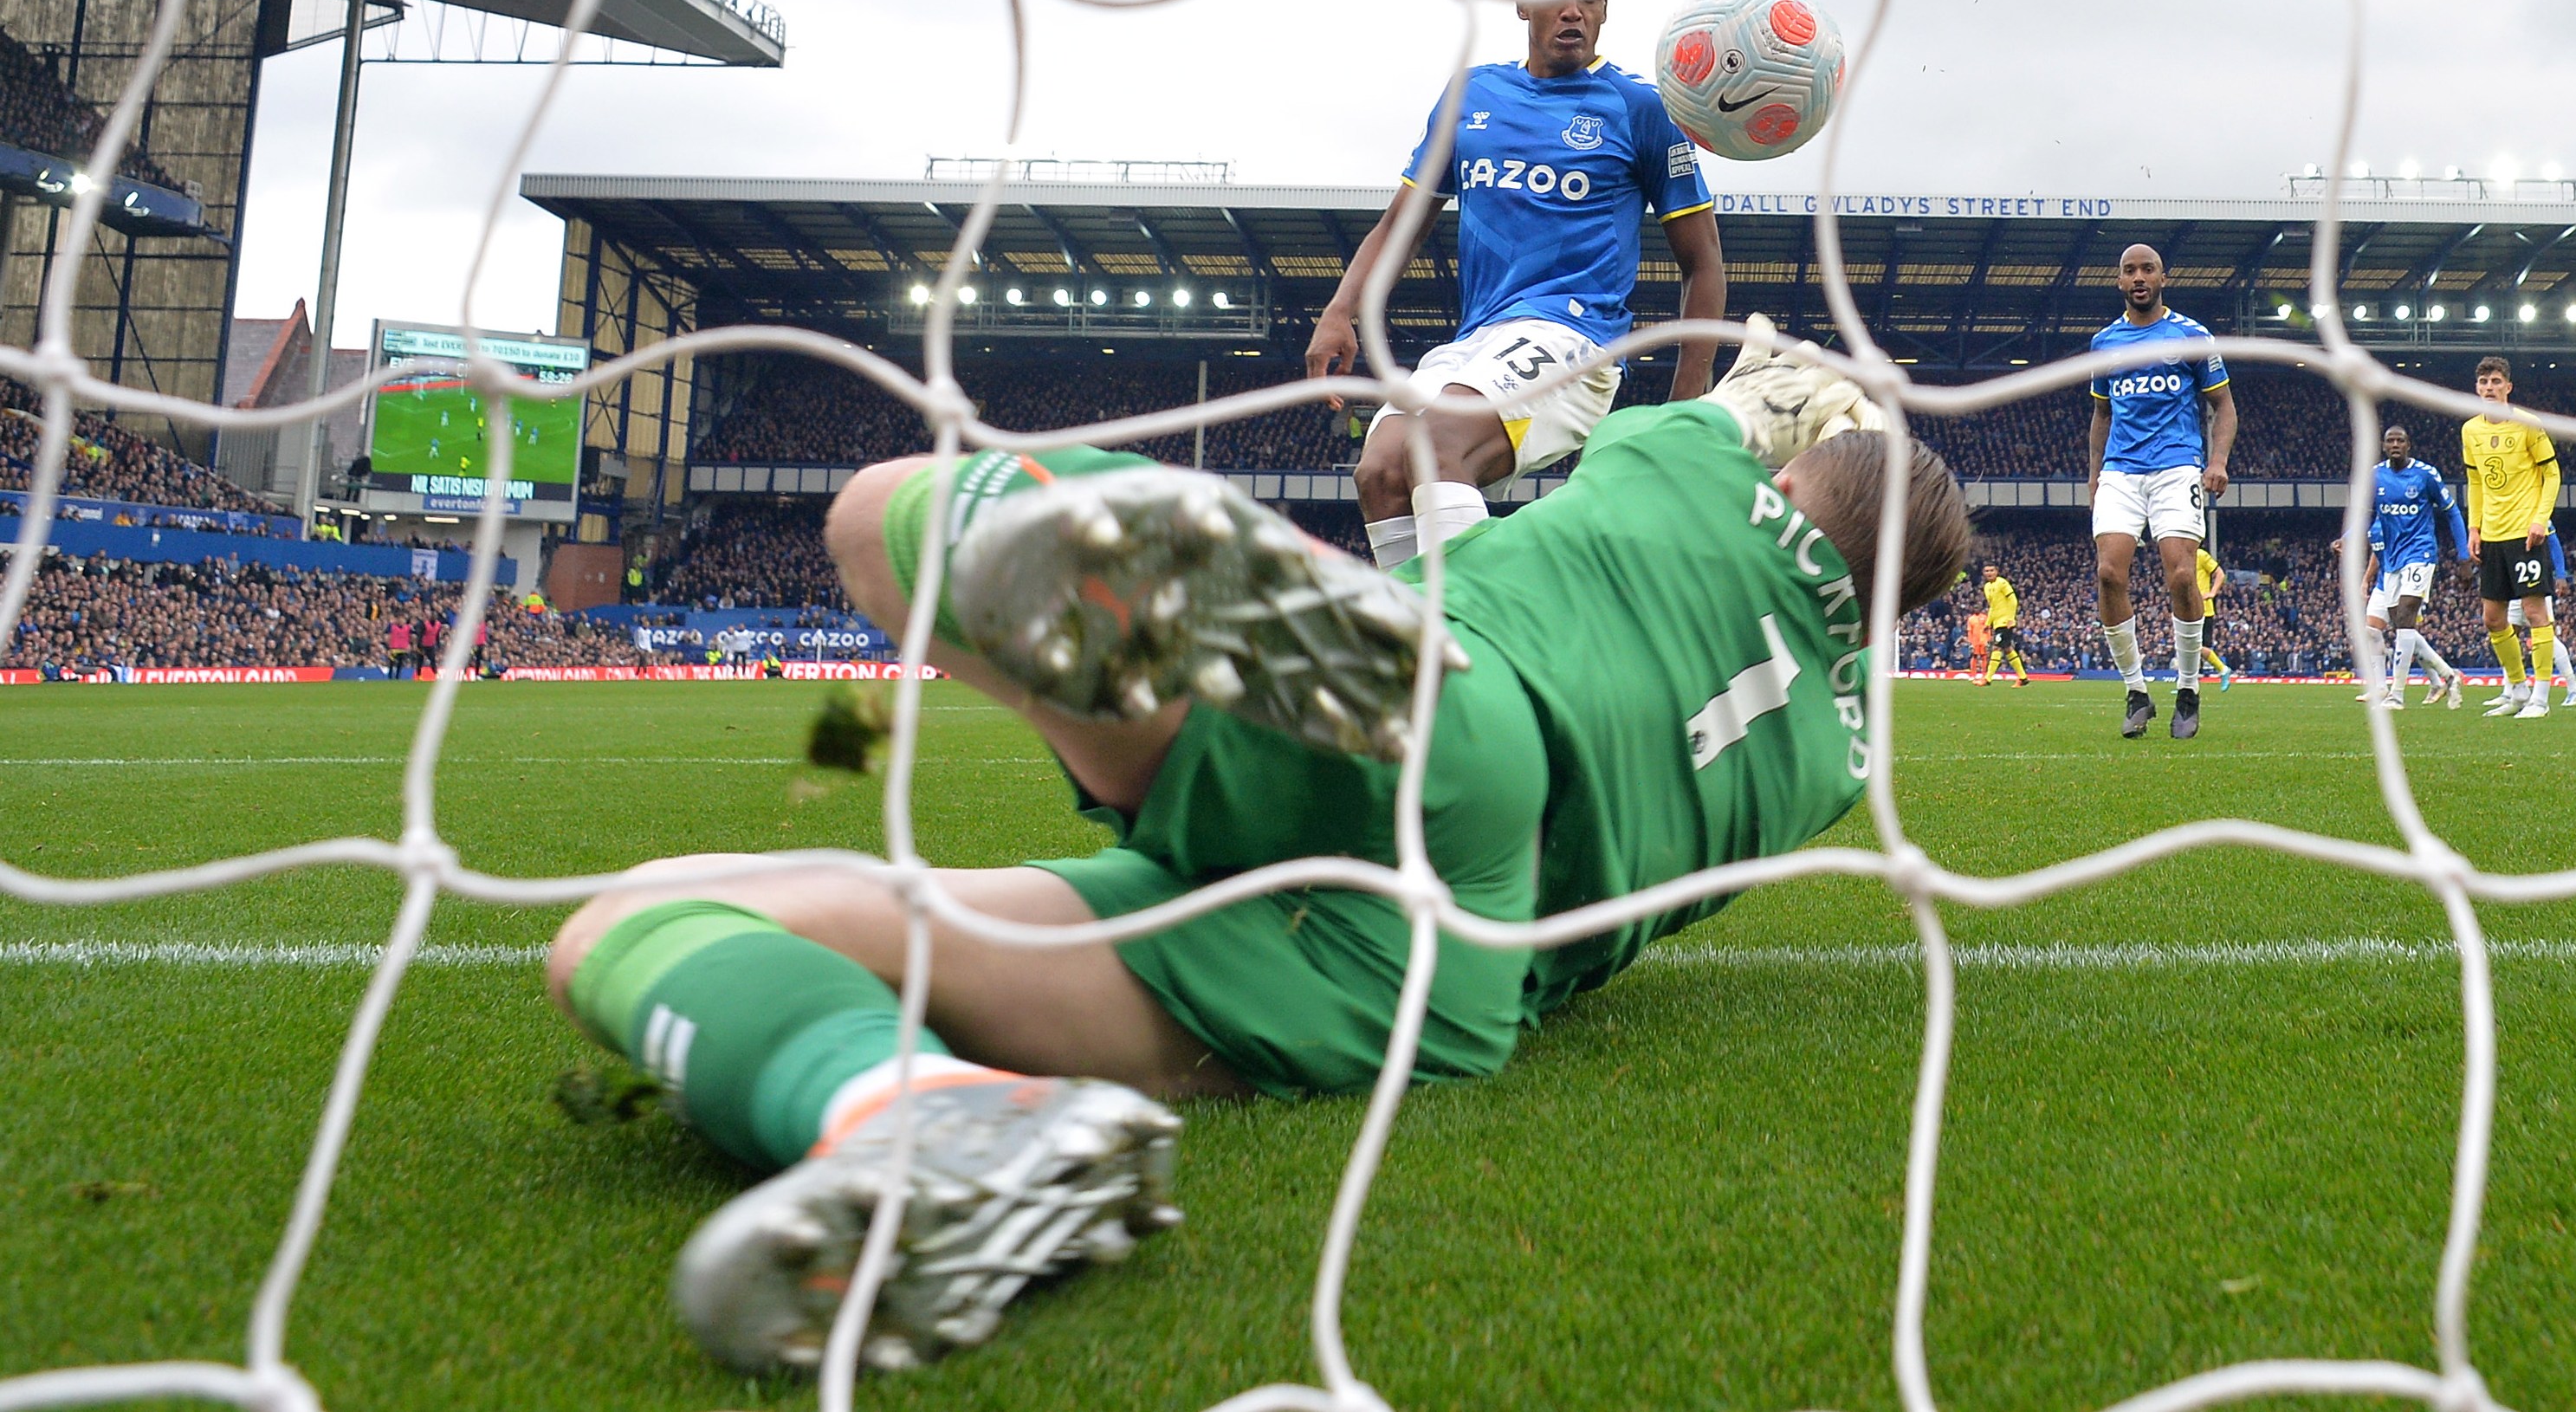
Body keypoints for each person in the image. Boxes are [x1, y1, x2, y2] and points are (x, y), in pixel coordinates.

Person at [540, 340, 1962, 1373]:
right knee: (657, 917)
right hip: (1438, 966)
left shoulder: (1689, 457)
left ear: (1792, 468)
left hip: (1455, 722)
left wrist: (1742, 393)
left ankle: (1192, 577)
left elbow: (1519, 425)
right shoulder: (1837, 762)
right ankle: (917, 1117)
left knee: (876, 517)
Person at [1304, 0, 1725, 573]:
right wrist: (1340, 309)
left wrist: (1684, 408)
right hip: (1478, 339)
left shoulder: (1642, 108)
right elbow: (1401, 225)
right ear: (1523, 2)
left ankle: (1485, 636)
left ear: (1605, 8)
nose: (1574, 9)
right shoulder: (1472, 95)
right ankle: (1423, 647)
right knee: (1382, 469)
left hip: (1575, 339)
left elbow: (1703, 262)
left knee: (1441, 443)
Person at [2086, 243, 2237, 740]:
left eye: (2147, 269)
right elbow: (2102, 415)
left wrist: (2217, 460)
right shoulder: (2105, 342)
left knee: (2179, 576)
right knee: (2109, 573)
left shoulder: (2192, 336)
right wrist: (2094, 477)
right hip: (2120, 472)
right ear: (2120, 281)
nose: (2138, 277)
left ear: (2162, 278)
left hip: (2176, 467)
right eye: (2129, 270)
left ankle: (2188, 691)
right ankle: (2135, 691)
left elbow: (2225, 408)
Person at [2338, 424, 2469, 710]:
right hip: (2392, 562)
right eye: (2390, 441)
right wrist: (2347, 538)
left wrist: (2463, 556)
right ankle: (2447, 676)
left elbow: (2452, 512)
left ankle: (2396, 694)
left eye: (2400, 440)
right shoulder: (2375, 476)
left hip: (2420, 553)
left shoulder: (2425, 475)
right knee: (2395, 625)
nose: (2395, 444)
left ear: (2409, 445)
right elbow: (2364, 515)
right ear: (2384, 446)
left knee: (2406, 618)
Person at [2463, 356, 2562, 720]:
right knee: (2492, 618)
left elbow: (2552, 476)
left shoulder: (2528, 426)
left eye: (2495, 381)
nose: (2489, 388)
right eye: (2483, 382)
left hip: (2525, 535)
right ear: (2476, 389)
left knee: (2536, 613)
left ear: (2508, 387)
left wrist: (2540, 520)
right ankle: (2517, 689)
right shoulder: (2470, 430)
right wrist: (2474, 528)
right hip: (2491, 536)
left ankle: (2541, 697)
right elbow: (2475, 482)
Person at [2506, 528, 2576, 707]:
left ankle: (2574, 688)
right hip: (2515, 581)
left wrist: (2561, 575)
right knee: (2510, 635)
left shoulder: (2534, 510)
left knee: (2546, 635)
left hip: (2535, 579)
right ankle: (2509, 692)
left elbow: (2554, 543)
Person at [2191, 547, 2236, 690]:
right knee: (2188, 647)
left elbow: (2220, 574)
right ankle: (2187, 686)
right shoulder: (2182, 557)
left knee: (2195, 647)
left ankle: (2223, 669)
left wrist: (2212, 593)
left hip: (2203, 610)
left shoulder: (2201, 555)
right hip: (2188, 609)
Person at [1980, 562, 2029, 686]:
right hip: (1997, 623)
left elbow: (2013, 600)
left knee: (1997, 647)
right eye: (1987, 571)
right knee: (2008, 649)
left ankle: (1987, 678)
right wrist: (1988, 623)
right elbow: (1992, 607)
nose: (1989, 573)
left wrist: (2011, 618)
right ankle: (2023, 678)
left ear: (1997, 571)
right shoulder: (1986, 587)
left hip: (2005, 622)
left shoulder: (2002, 583)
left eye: (1992, 570)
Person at [1964, 605, 1994, 685]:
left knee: (1984, 657)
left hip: (1983, 640)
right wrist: (1970, 642)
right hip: (1975, 641)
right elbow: (1969, 631)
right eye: (1975, 608)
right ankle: (1973, 674)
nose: (1976, 609)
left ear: (1980, 609)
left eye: (1978, 608)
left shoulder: (1985, 617)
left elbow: (1988, 629)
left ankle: (1984, 674)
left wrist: (1988, 639)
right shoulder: (1971, 619)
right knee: (1974, 656)